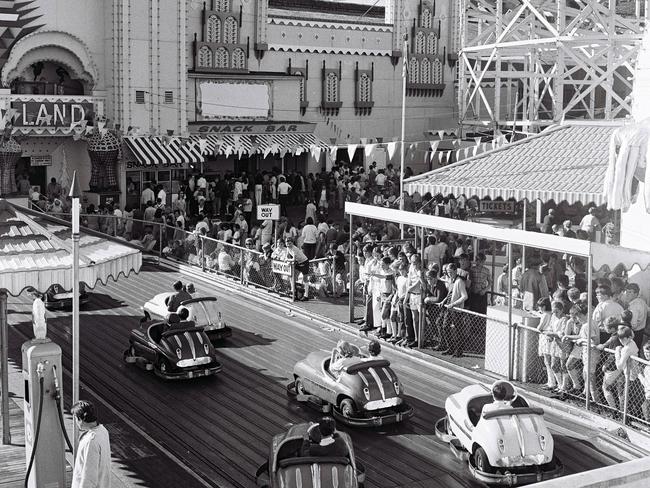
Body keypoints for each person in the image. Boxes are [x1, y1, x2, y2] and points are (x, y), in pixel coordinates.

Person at [71, 400, 111, 488]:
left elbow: (88, 476)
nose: (76, 422)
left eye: (75, 418)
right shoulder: (103, 431)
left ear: (81, 419)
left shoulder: (91, 441)